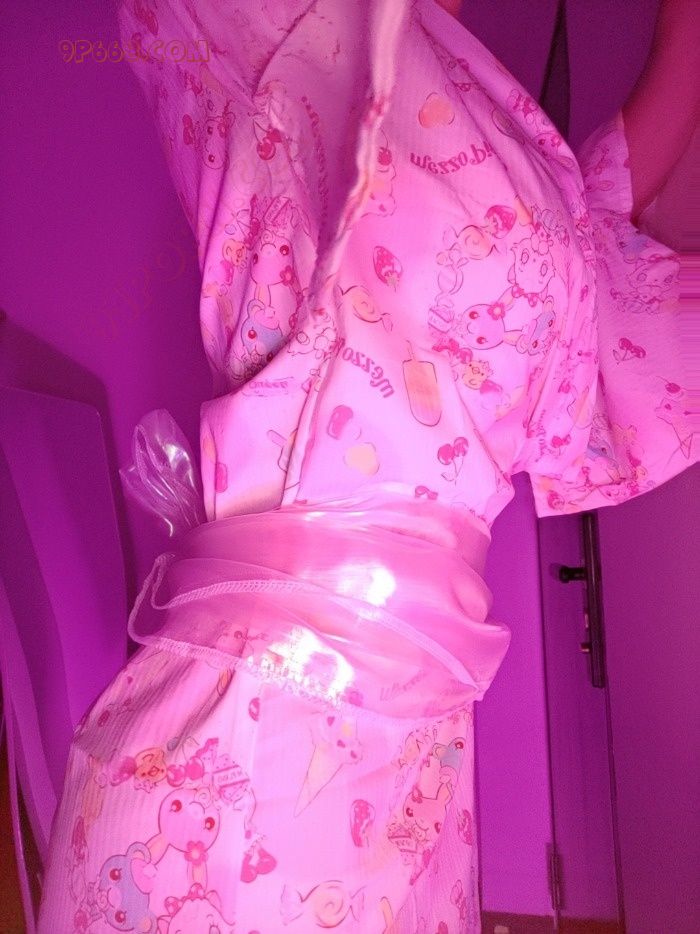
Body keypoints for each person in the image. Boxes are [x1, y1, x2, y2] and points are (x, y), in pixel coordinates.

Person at [38, 1, 697, 931]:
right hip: (260, 741)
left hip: (387, 749)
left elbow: (587, 237)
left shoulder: (515, 170)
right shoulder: (294, 43)